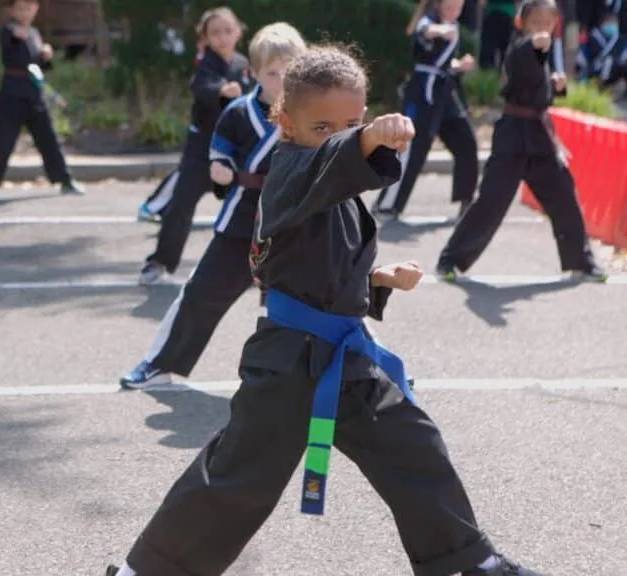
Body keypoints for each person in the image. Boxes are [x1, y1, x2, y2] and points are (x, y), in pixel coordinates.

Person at [104, 44, 548, 576]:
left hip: (344, 356)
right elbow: (332, 163)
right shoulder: (289, 170)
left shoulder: (334, 184)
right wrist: (366, 138)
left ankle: (467, 563)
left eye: (351, 122)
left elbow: (323, 268)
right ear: (284, 122)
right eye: (322, 127)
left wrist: (378, 280)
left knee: (414, 446)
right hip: (289, 364)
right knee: (239, 478)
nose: (336, 136)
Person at [120, 23, 306, 389]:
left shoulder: (314, 112)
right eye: (272, 72)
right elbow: (220, 149)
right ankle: (159, 363)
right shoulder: (238, 112)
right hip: (242, 220)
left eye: (290, 70)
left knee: (330, 298)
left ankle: (370, 372)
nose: (282, 79)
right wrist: (220, 169)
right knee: (200, 293)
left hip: (296, 222)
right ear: (253, 73)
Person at [437, 0, 608, 282]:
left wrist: (554, 85)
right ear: (522, 24)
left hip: (539, 137)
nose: (542, 28)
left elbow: (538, 86)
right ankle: (450, 260)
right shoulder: (518, 47)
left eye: (547, 23)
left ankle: (583, 261)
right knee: (491, 201)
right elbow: (521, 62)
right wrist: (534, 44)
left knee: (564, 195)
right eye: (535, 22)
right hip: (512, 137)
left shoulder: (548, 52)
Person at [138, 7, 254, 285]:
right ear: (205, 38)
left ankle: (260, 265)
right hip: (203, 150)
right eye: (215, 33)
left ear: (238, 31)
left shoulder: (243, 63)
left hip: (237, 152)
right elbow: (201, 88)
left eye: (228, 30)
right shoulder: (206, 63)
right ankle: (160, 262)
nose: (223, 37)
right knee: (180, 205)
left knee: (253, 205)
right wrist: (222, 90)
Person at [373, 0, 479, 220]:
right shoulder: (429, 20)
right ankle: (387, 204)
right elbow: (423, 30)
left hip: (445, 93)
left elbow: (441, 63)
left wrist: (458, 66)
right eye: (450, 7)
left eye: (458, 8)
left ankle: (466, 201)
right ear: (439, 5)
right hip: (423, 93)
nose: (454, 12)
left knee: (466, 141)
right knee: (412, 148)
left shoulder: (454, 25)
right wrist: (439, 30)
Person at [0, 0, 84, 202]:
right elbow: (7, 52)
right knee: (3, 140)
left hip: (34, 92)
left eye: (29, 8)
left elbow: (40, 66)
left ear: (36, 9)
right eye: (20, 8)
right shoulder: (8, 30)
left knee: (48, 137)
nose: (25, 13)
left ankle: (64, 180)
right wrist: (16, 37)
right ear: (12, 10)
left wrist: (46, 56)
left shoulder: (34, 33)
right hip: (12, 93)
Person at [137, 38, 210, 224]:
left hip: (220, 129)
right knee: (186, 173)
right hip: (203, 131)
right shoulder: (206, 60)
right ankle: (152, 206)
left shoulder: (235, 61)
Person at [575, 12, 627, 96]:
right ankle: (599, 86)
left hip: (614, 69)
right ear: (603, 23)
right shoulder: (593, 37)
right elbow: (583, 57)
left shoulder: (620, 39)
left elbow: (624, 58)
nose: (612, 25)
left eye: (614, 23)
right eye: (609, 22)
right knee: (607, 62)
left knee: (622, 66)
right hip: (595, 69)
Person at [480, 0, 519, 70]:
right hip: (508, 15)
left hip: (491, 14)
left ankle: (487, 72)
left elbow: (482, 2)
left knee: (488, 49)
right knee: (506, 51)